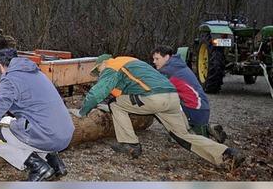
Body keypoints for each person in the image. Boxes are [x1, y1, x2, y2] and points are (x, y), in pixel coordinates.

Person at [73, 54, 244, 170]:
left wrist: (82, 112)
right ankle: (226, 154)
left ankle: (130, 145)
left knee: (115, 104)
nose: (99, 73)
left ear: (103, 62)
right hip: (171, 98)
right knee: (182, 135)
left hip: (153, 98)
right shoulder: (133, 62)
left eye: (98, 70)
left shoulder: (111, 66)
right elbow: (133, 89)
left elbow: (97, 93)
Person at [0, 48, 74, 181]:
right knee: (35, 125)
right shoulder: (37, 72)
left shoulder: (10, 79)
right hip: (66, 132)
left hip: (48, 136)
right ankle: (55, 164)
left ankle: (38, 168)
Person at [151, 45, 227, 143]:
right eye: (153, 59)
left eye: (157, 59)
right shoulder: (177, 65)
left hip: (195, 110)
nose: (154, 62)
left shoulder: (168, 71)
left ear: (166, 57)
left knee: (158, 103)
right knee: (171, 98)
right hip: (201, 109)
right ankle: (206, 129)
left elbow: (153, 88)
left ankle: (180, 133)